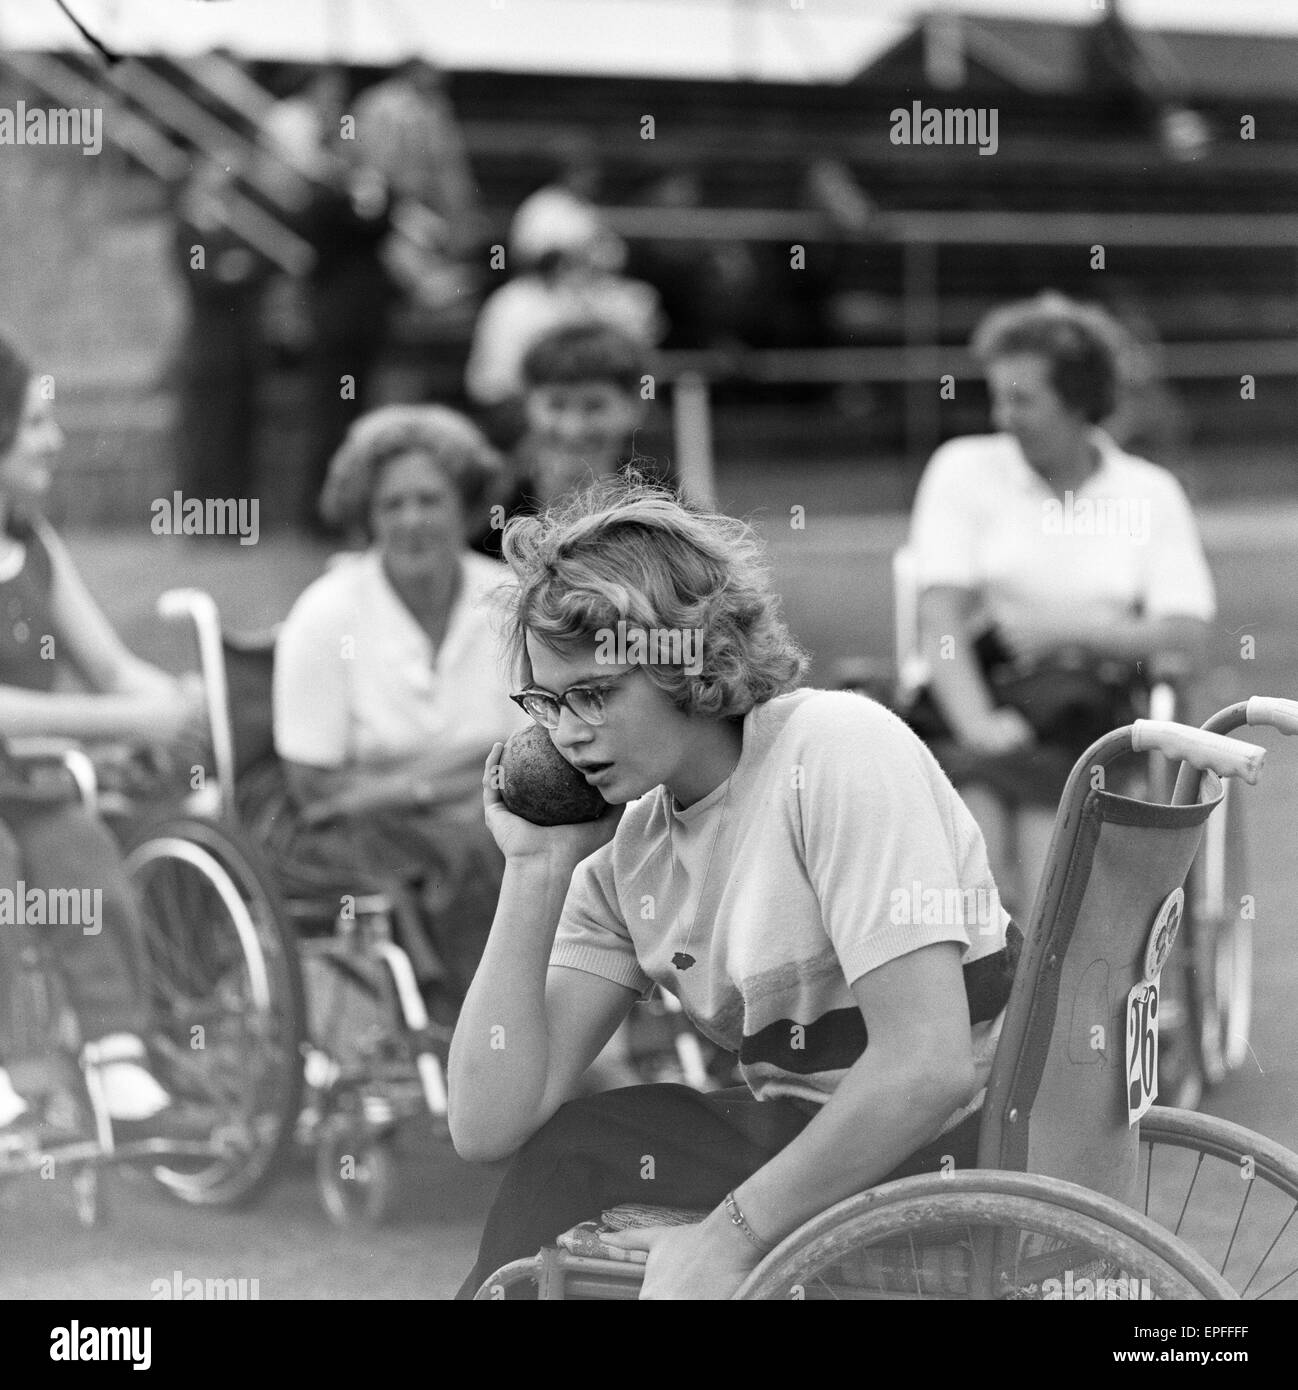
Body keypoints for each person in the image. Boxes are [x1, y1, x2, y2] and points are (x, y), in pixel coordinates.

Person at [449, 478, 1020, 1299]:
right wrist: (534, 869)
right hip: (819, 1134)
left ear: (691, 662)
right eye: (547, 702)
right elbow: (487, 1125)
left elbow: (928, 1069)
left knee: (583, 1155)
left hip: (950, 1145)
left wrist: (727, 1240)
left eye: (596, 694)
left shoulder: (834, 749)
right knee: (574, 1147)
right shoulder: (627, 856)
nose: (566, 734)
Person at [907, 293, 1215, 910]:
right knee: (979, 841)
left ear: (1078, 403)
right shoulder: (963, 470)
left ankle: (1047, 995)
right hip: (977, 702)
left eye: (1022, 400)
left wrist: (1067, 630)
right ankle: (993, 996)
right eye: (998, 396)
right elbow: (939, 618)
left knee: (1048, 846)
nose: (1003, 416)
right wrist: (977, 726)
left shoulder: (1149, 493)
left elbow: (1185, 635)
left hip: (1090, 714)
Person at [0, 331, 207, 1141]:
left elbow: (115, 671)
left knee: (78, 847)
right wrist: (130, 720)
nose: (54, 439)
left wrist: (191, 706)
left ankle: (118, 1056)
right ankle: (12, 1069)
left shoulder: (32, 544)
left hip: (28, 782)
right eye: (35, 422)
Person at [261, 405, 528, 1000]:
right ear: (366, 516)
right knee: (474, 850)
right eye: (391, 505)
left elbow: (541, 751)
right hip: (364, 833)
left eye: (429, 500)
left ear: (463, 506)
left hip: (491, 808)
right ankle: (481, 1026)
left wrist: (393, 781)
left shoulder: (509, 603)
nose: (412, 521)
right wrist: (469, 768)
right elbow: (317, 793)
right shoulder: (326, 615)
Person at [463, 189, 663, 447]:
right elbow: (494, 386)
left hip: (599, 406)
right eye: (564, 258)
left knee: (645, 417)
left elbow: (638, 367)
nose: (577, 266)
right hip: (520, 411)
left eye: (583, 254)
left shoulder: (615, 298)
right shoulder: (512, 303)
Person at [471, 321, 655, 558]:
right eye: (556, 405)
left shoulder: (670, 511)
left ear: (634, 407)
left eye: (594, 406)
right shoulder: (488, 515)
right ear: (526, 404)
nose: (573, 429)